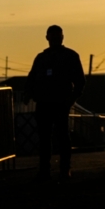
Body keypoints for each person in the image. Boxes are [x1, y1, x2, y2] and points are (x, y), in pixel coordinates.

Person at [26, 25, 85, 181]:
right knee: (46, 138)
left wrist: (71, 99)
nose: (55, 40)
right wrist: (32, 94)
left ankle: (63, 169)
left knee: (61, 137)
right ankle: (47, 169)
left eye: (58, 37)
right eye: (53, 37)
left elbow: (80, 81)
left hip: (60, 103)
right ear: (47, 38)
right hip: (45, 102)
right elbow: (32, 78)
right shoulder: (42, 57)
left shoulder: (69, 56)